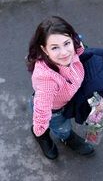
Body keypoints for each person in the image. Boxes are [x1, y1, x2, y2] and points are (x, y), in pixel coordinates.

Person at [26, 16, 95, 159]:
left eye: (66, 43)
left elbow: (78, 46)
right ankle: (48, 136)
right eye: (55, 47)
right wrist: (40, 127)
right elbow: (42, 109)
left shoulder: (74, 46)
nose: (64, 52)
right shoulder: (46, 78)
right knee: (61, 126)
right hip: (54, 110)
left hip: (67, 98)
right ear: (44, 49)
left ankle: (57, 133)